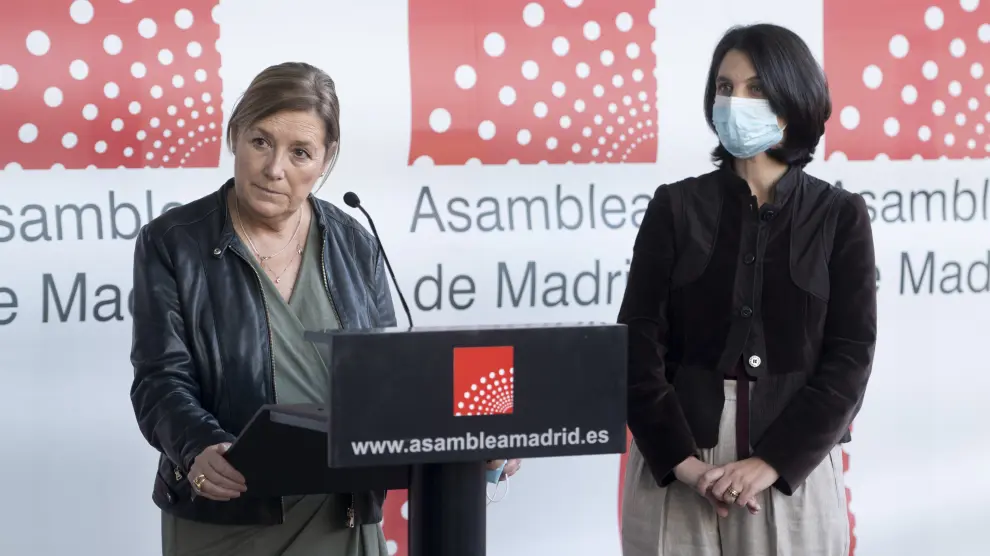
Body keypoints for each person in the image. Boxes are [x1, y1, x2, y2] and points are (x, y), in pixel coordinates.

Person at [129, 61, 519, 556]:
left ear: (325, 158)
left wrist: (474, 438)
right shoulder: (173, 243)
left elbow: (389, 380)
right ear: (234, 136)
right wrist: (196, 446)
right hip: (230, 506)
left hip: (343, 512)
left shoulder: (356, 242)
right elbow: (160, 379)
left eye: (300, 152)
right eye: (260, 141)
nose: (275, 169)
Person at [618, 24, 876, 556]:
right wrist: (683, 464)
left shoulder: (840, 216)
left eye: (756, 88)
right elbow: (636, 345)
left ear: (793, 98)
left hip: (789, 471)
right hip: (676, 463)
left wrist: (771, 462)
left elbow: (851, 358)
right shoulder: (674, 207)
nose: (735, 101)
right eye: (725, 87)